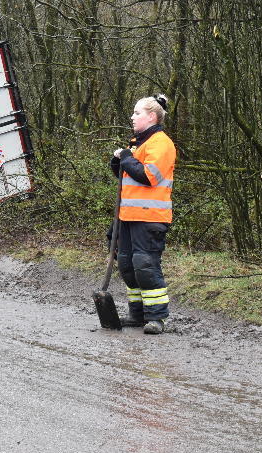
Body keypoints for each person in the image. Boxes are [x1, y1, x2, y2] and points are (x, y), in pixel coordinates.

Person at [109, 94, 176, 334]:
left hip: (150, 218)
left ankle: (157, 318)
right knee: (127, 265)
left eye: (137, 113)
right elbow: (128, 176)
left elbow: (149, 176)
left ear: (151, 116)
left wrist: (126, 159)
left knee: (145, 266)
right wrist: (119, 163)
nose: (132, 117)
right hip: (128, 216)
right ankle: (137, 314)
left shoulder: (161, 143)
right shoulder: (137, 144)